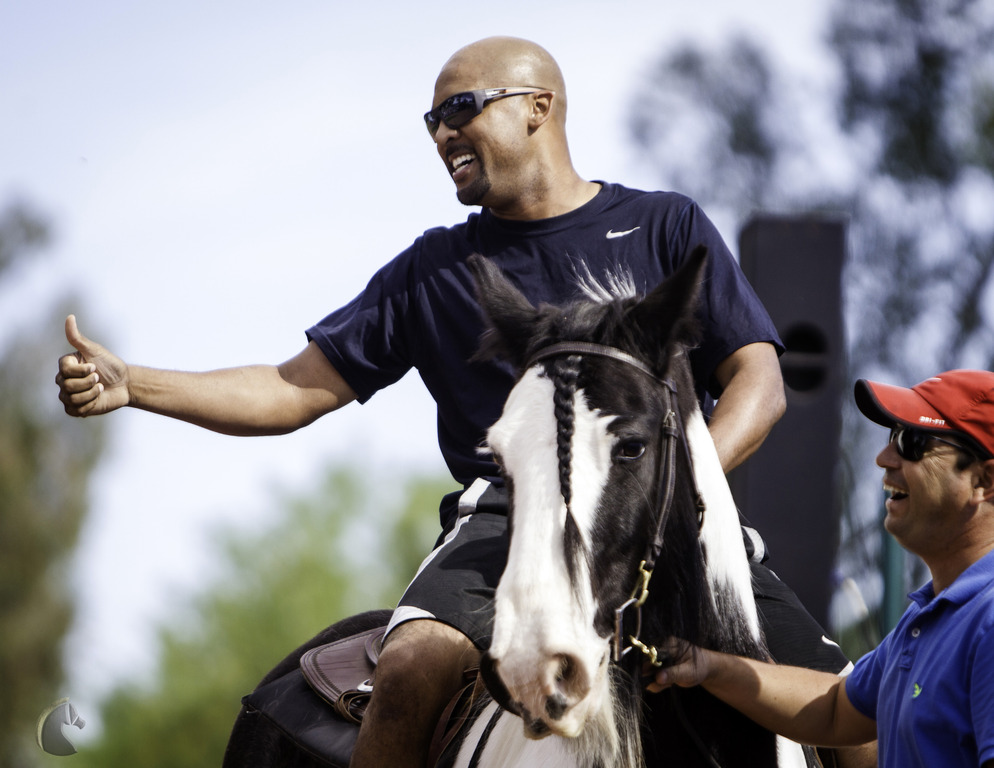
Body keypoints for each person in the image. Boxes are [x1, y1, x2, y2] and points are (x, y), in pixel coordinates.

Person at [56, 36, 869, 768]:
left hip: (672, 518)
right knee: (411, 666)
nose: (442, 135)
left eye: (458, 110)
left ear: (536, 109)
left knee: (857, 713)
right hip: (503, 526)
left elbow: (758, 383)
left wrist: (675, 490)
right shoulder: (434, 270)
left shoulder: (662, 226)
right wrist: (136, 385)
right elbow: (290, 388)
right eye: (431, 122)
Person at [652, 369, 994, 767]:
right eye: (890, 439)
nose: (884, 459)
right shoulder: (929, 617)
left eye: (912, 442)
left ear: (984, 481)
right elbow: (833, 710)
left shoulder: (987, 618)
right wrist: (707, 667)